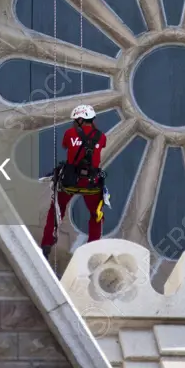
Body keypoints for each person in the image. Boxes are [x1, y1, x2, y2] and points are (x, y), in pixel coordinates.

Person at [41, 104, 106, 257]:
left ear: (80, 120)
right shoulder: (101, 136)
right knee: (96, 215)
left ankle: (46, 244)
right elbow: (100, 146)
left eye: (76, 120)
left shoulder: (70, 133)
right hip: (91, 183)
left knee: (56, 211)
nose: (74, 122)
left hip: (70, 181)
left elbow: (65, 145)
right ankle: (92, 248)